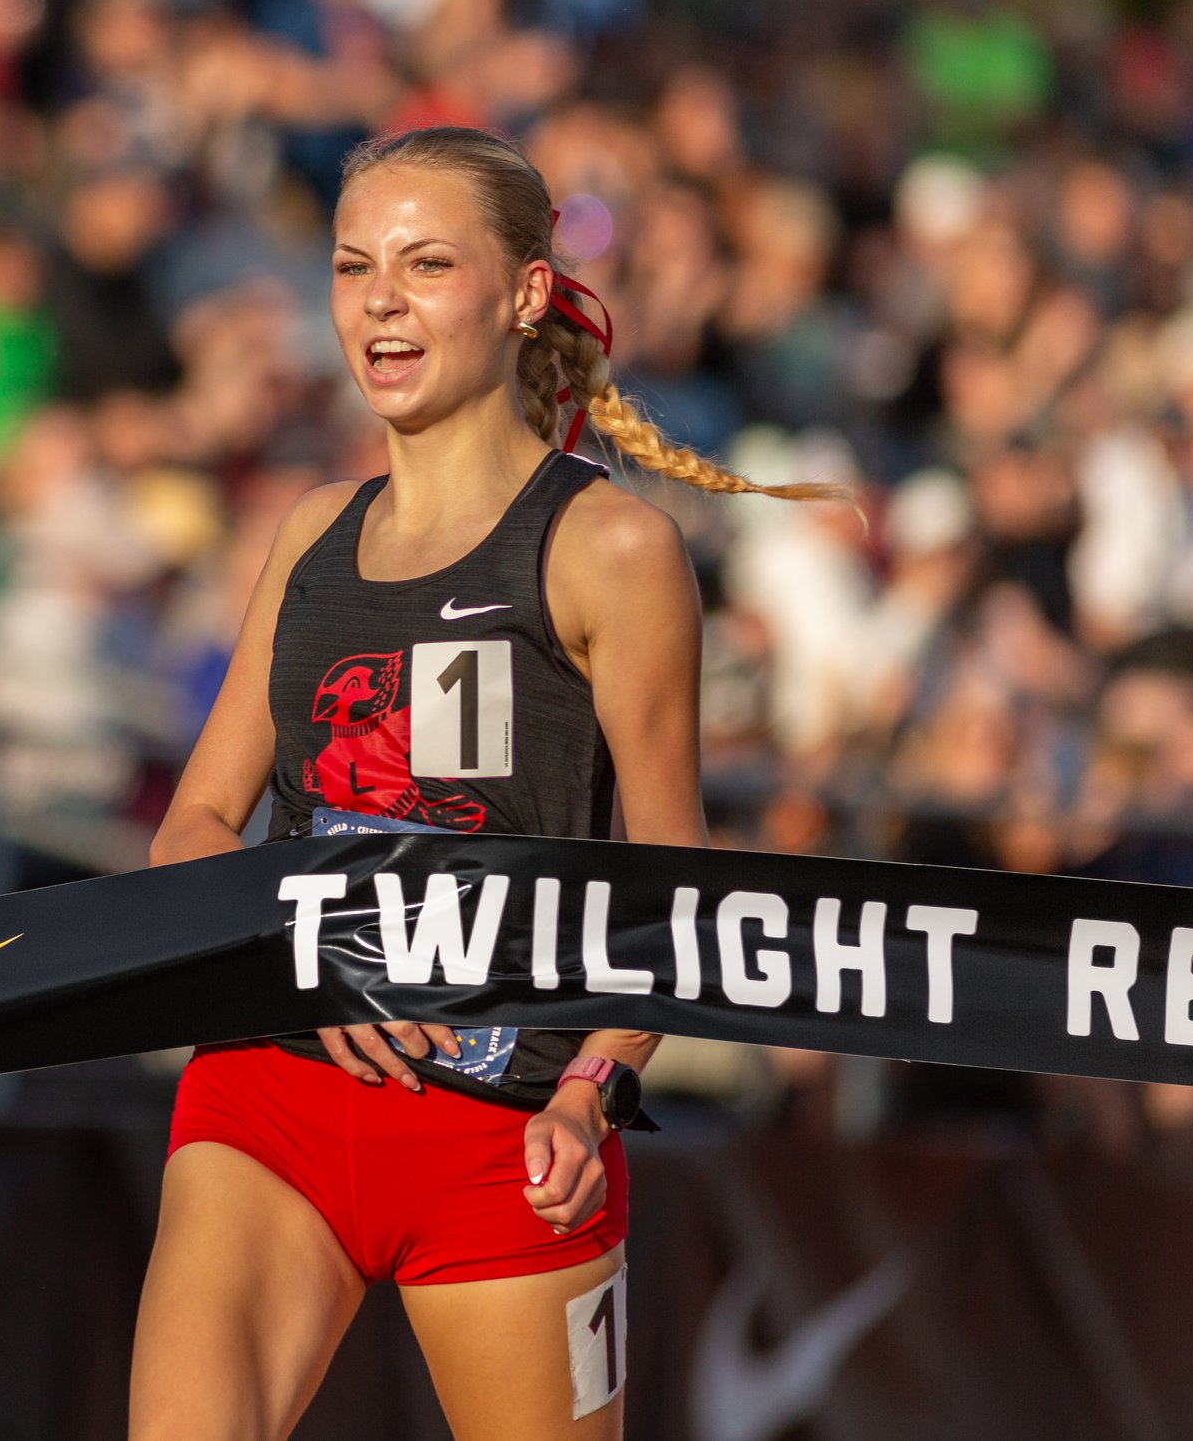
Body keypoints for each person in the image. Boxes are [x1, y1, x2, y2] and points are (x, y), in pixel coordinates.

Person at [132, 127, 827, 1441]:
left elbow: (671, 881)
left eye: (426, 262)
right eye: (353, 265)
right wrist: (296, 956)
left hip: (510, 1127)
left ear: (520, 293)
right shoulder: (309, 531)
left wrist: (597, 1084)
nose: (380, 298)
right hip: (273, 1085)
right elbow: (193, 820)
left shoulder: (611, 543)